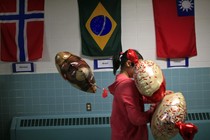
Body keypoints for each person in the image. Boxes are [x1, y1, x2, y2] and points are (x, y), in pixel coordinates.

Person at [108, 49, 156, 140]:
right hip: (130, 136)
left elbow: (137, 98)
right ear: (129, 63)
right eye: (139, 67)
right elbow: (136, 119)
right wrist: (152, 112)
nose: (141, 71)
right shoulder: (127, 84)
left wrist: (158, 97)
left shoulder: (120, 82)